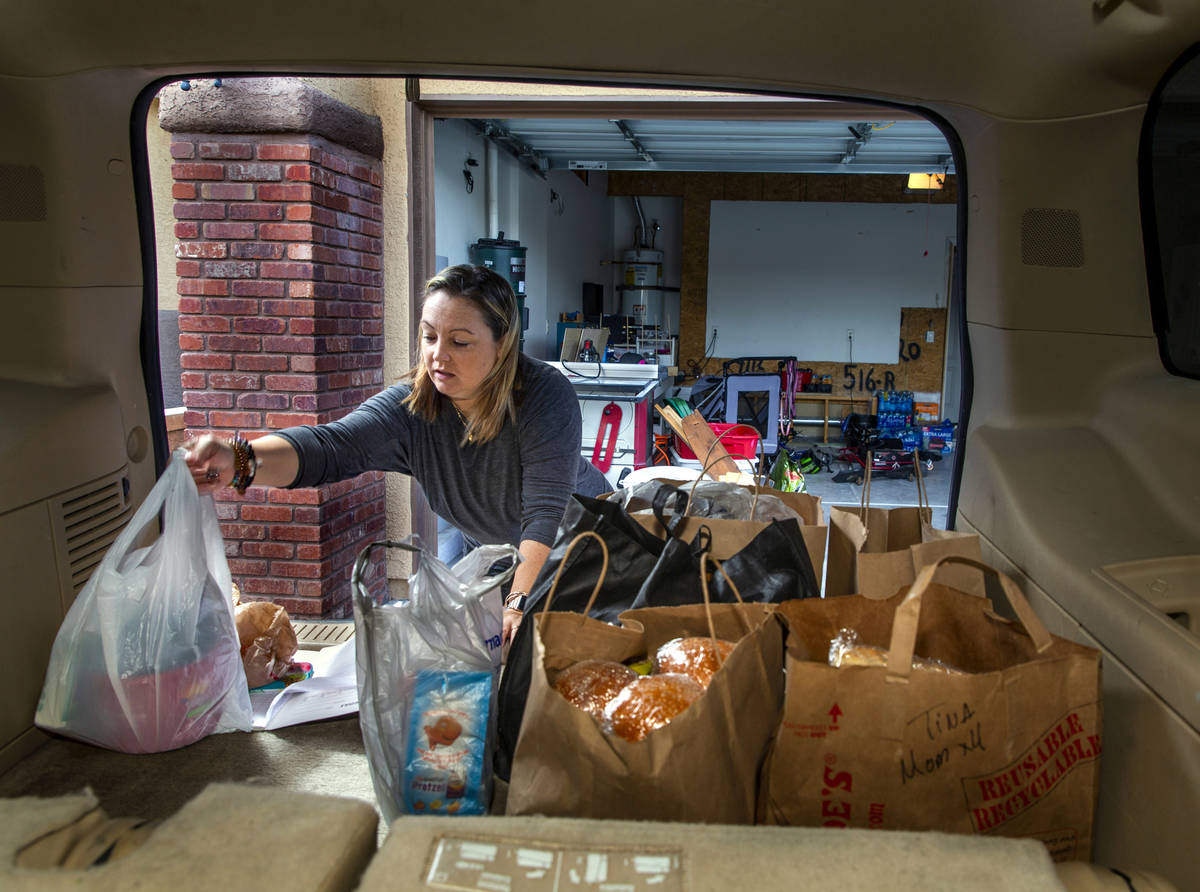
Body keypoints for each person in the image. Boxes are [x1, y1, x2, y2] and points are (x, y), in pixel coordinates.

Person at [185, 264, 610, 643]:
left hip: (594, 558)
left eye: (460, 342)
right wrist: (240, 460)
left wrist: (517, 604)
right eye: (429, 336)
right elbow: (334, 446)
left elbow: (545, 516)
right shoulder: (413, 409)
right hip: (512, 566)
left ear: (503, 348)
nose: (437, 355)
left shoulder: (542, 395)